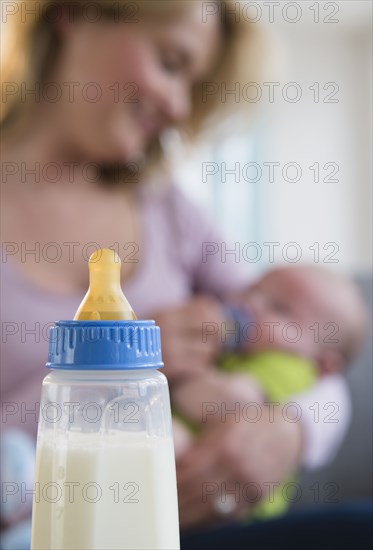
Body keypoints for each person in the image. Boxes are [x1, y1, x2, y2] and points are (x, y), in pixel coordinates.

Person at [0, 1, 366, 548]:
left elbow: (318, 349)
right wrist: (116, 371)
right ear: (76, 13)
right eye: (171, 63)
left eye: (193, 86)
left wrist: (292, 431)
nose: (177, 106)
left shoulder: (171, 213)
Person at [172, 265, 367, 517]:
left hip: (237, 507)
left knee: (169, 440)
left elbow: (228, 403)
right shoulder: (235, 353)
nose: (251, 303)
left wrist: (175, 374)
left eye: (279, 308)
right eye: (252, 290)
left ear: (324, 364)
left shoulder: (292, 366)